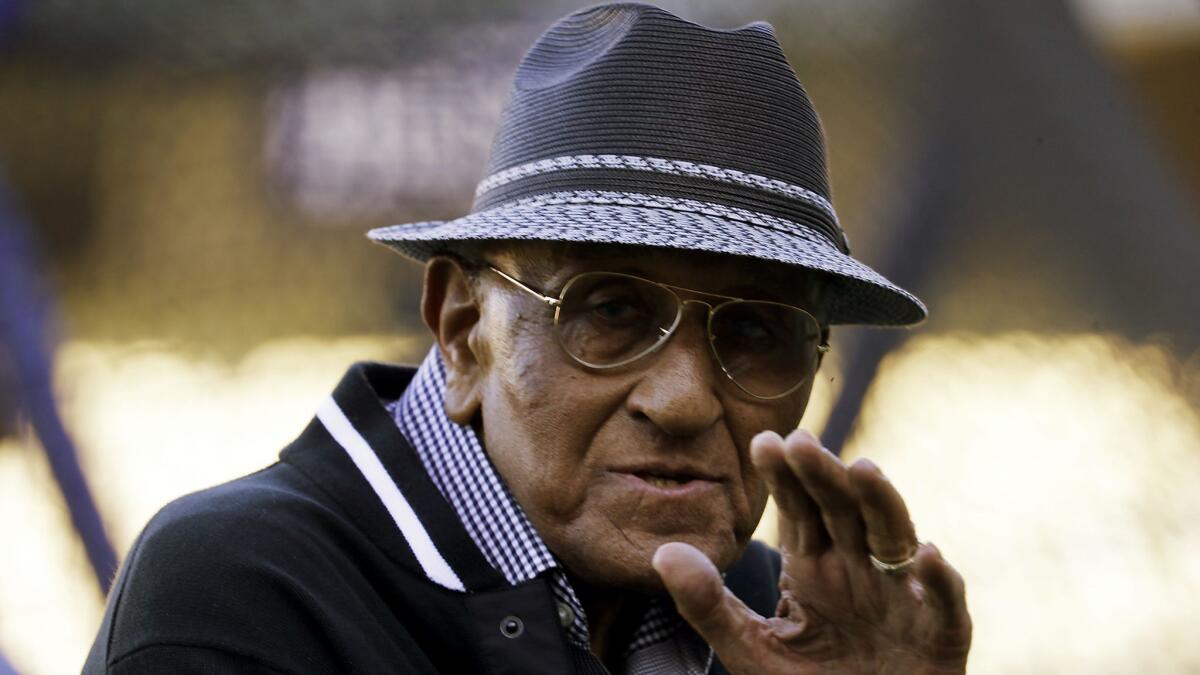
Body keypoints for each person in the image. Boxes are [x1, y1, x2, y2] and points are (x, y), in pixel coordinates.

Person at [84, 4, 972, 674]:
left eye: (755, 330)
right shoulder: (240, 586)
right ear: (464, 330)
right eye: (610, 310)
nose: (685, 399)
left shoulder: (774, 613)